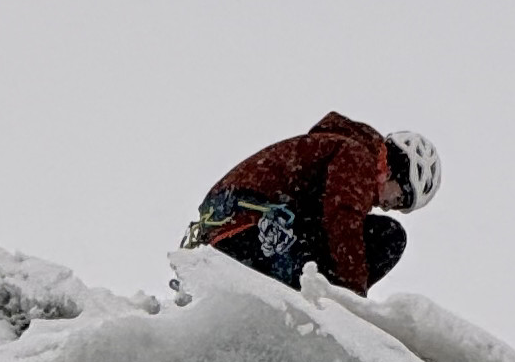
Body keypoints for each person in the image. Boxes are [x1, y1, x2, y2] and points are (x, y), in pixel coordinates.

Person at [180, 115, 441, 296]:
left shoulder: (340, 151)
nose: (388, 206)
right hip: (251, 228)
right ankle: (325, 302)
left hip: (237, 229)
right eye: (399, 198)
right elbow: (343, 220)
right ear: (396, 170)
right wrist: (353, 300)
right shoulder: (358, 157)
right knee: (389, 237)